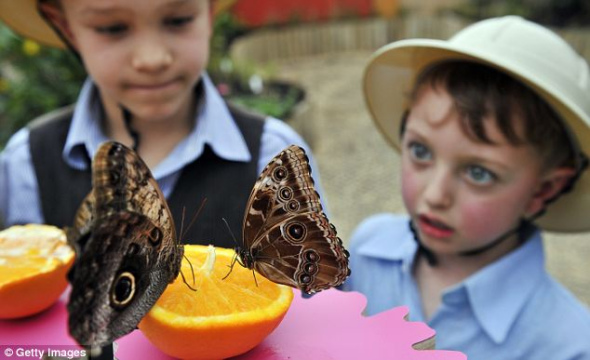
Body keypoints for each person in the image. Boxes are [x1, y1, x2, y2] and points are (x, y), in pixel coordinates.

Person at [344, 16, 590, 359]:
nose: (434, 195)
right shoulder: (367, 254)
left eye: (478, 172)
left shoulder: (567, 345)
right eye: (420, 151)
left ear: (543, 191)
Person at [0, 0, 325, 247]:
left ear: (209, 13)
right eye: (112, 28)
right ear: (66, 27)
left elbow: (314, 303)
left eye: (178, 20)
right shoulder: (27, 164)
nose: (152, 59)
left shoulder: (271, 155)